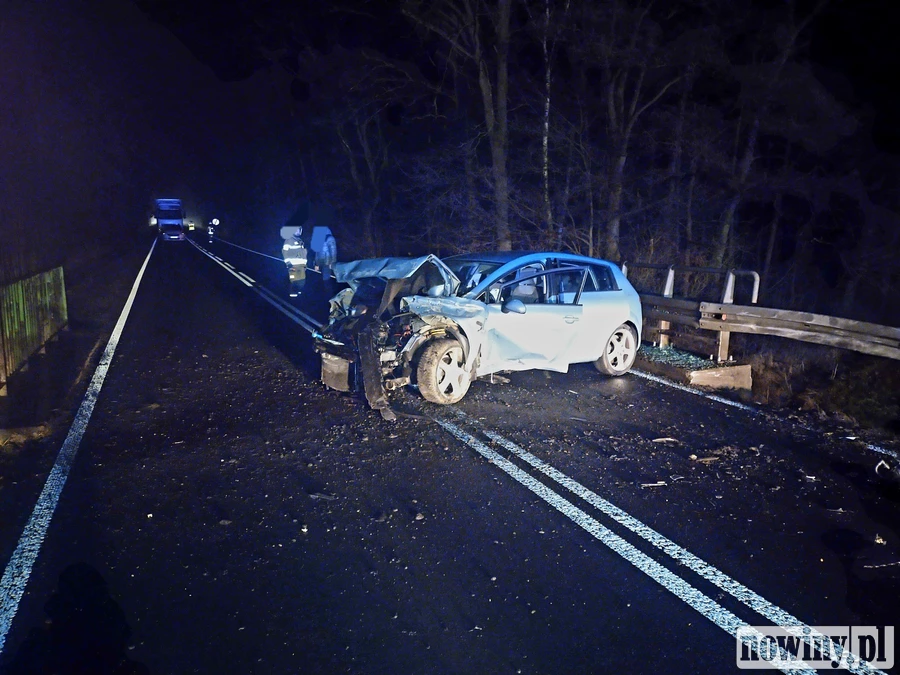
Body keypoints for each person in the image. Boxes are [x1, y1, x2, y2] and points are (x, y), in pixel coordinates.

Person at [281, 227, 309, 297]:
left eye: (299, 230)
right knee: (294, 282)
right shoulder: (289, 239)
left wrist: (305, 264)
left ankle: (299, 298)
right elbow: (284, 251)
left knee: (302, 282)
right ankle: (293, 299)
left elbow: (304, 254)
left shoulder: (300, 241)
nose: (298, 231)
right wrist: (288, 263)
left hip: (302, 266)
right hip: (293, 266)